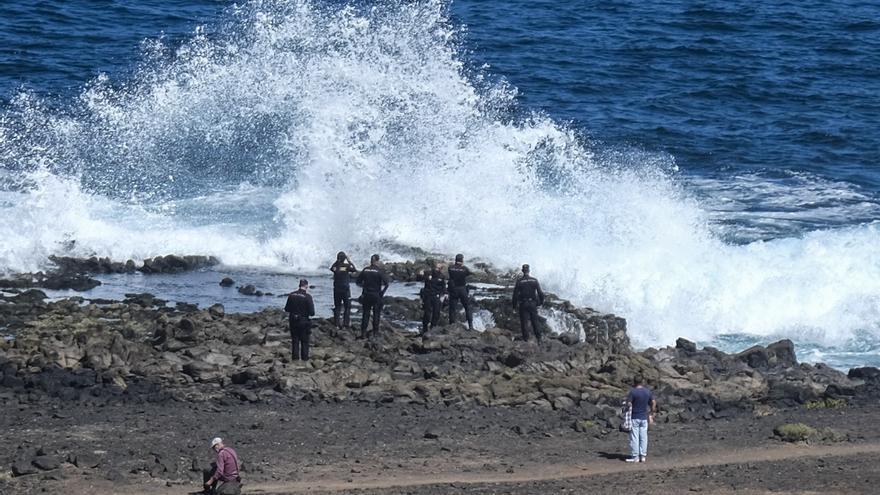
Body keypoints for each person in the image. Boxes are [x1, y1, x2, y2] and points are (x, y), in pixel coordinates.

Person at [356, 254, 389, 339]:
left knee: (365, 314)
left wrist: (364, 288)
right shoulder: (379, 271)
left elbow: (358, 282)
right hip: (376, 294)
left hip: (366, 294)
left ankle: (363, 333)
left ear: (371, 261)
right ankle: (375, 333)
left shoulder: (365, 270)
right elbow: (387, 283)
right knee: (376, 314)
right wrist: (382, 293)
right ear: (377, 261)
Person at [625, 375, 657, 463]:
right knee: (643, 437)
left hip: (635, 416)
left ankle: (635, 456)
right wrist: (652, 412)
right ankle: (643, 456)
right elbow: (653, 402)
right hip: (644, 417)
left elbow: (629, 404)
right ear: (642, 382)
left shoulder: (633, 392)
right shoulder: (647, 392)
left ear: (634, 382)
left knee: (635, 437)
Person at [512, 264, 545, 341]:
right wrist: (541, 302)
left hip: (523, 303)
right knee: (535, 321)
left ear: (522, 271)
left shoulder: (519, 281)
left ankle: (526, 339)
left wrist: (514, 306)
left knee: (524, 322)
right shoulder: (534, 280)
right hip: (533, 303)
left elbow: (515, 295)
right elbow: (540, 293)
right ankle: (539, 338)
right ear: (529, 271)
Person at [284, 279, 315, 360]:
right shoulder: (308, 297)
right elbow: (312, 312)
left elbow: (287, 309)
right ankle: (304, 359)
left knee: (295, 340)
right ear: (306, 286)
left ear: (299, 285)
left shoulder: (292, 295)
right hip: (303, 321)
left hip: (293, 319)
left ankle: (295, 358)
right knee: (304, 341)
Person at [329, 251, 358, 329]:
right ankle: (345, 324)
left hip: (337, 289)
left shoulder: (335, 267)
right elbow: (354, 269)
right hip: (345, 289)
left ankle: (337, 324)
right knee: (347, 307)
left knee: (337, 306)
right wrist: (349, 261)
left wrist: (337, 260)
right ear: (344, 258)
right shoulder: (347, 266)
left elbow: (331, 268)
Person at [447, 254, 474, 331]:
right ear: (462, 260)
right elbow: (469, 273)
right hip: (462, 289)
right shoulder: (464, 269)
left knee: (452, 308)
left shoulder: (450, 268)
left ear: (455, 260)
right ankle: (471, 326)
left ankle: (451, 325)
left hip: (453, 289)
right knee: (467, 307)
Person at [420, 261, 447, 335]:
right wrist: (421, 273)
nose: (436, 269)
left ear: (441, 269)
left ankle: (433, 327)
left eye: (438, 268)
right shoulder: (428, 273)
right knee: (427, 313)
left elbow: (443, 287)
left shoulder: (442, 276)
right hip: (428, 295)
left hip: (437, 296)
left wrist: (444, 296)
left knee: (436, 313)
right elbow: (420, 275)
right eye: (436, 268)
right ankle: (424, 328)